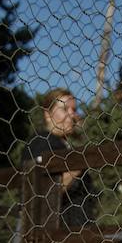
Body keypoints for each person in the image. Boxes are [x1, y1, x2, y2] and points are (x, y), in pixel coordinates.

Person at [24, 88, 91, 230]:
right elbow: (41, 193)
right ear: (47, 114)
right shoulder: (42, 142)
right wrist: (81, 162)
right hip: (45, 239)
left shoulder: (64, 146)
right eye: (65, 109)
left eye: (74, 109)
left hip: (73, 234)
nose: (72, 115)